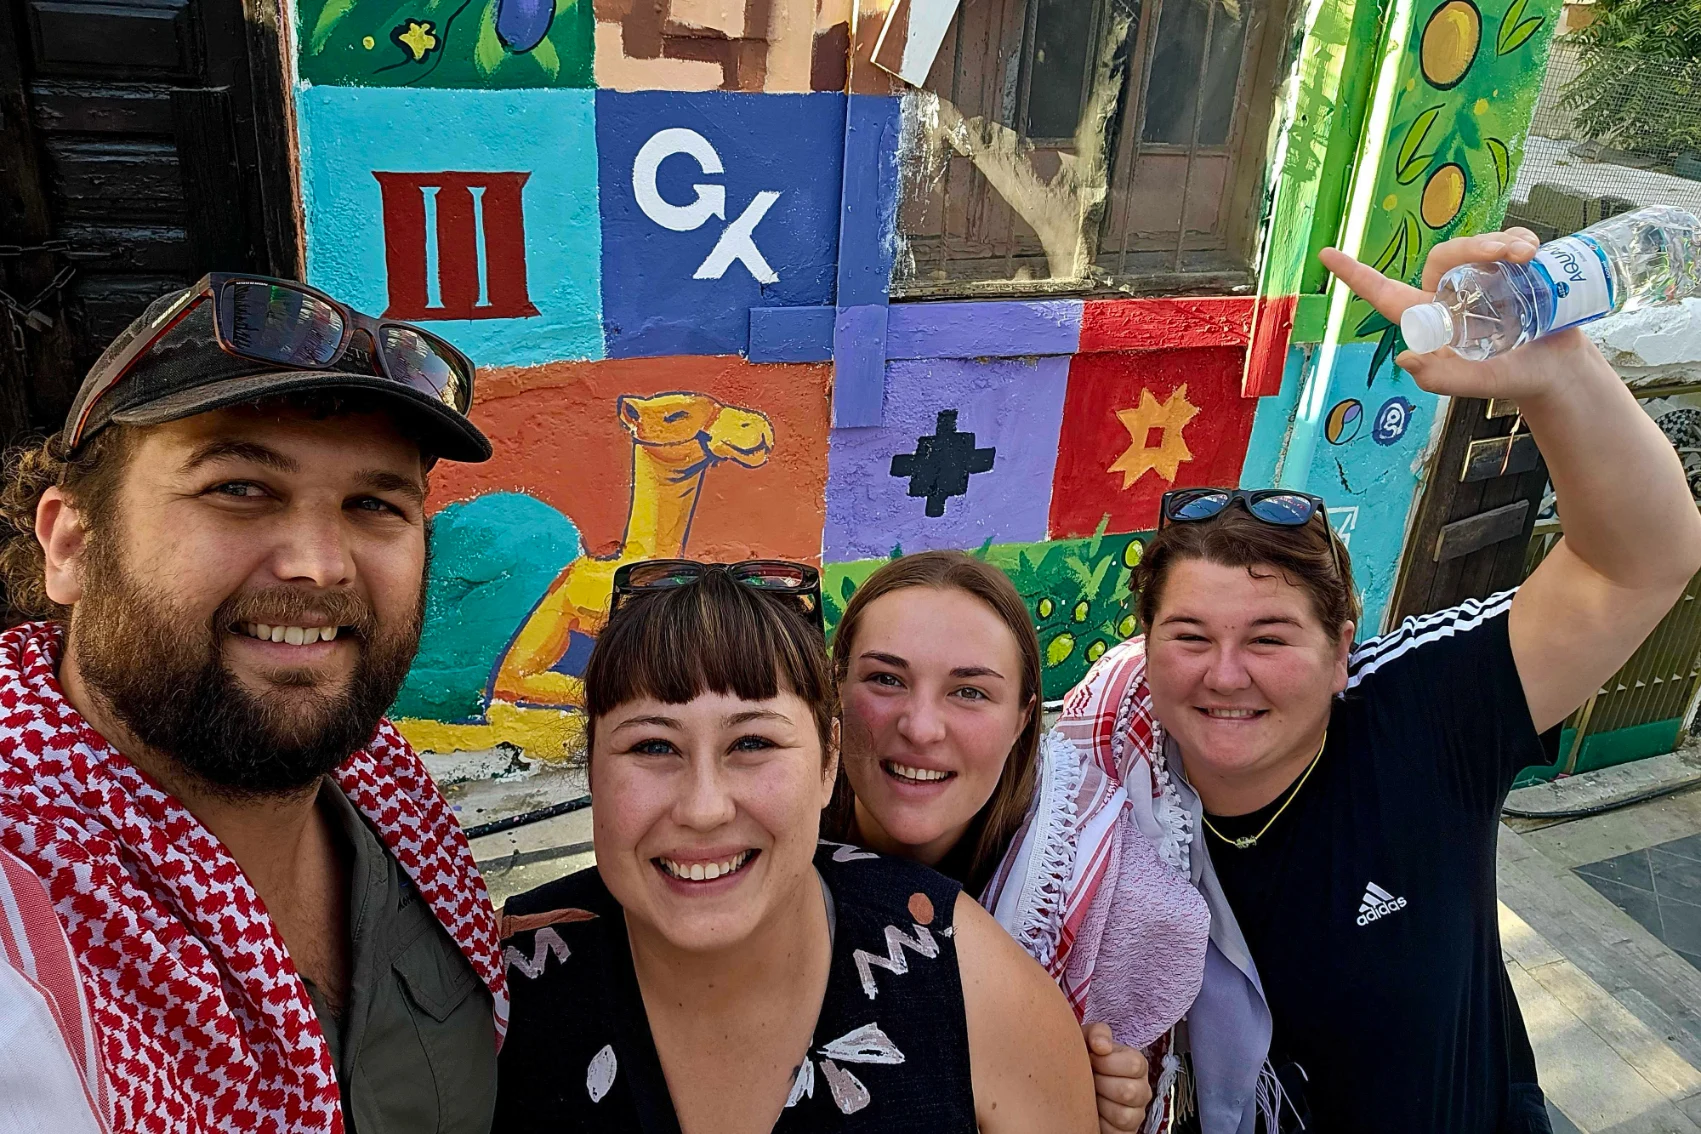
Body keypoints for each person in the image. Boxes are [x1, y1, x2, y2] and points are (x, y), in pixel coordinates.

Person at [1063, 229, 1701, 1133]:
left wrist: (1559, 377)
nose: (1225, 673)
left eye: (1271, 636)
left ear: (1341, 647)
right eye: (1189, 634)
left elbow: (1639, 564)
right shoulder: (1098, 788)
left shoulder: (1417, 711)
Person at [0, 275, 508, 1132]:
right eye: (239, 488)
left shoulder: (388, 792)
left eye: (374, 505)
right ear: (71, 543)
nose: (320, 564)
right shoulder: (25, 909)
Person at [493, 560, 1099, 1133]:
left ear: (829, 760)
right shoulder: (491, 995)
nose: (704, 808)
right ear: (593, 770)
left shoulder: (974, 988)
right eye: (653, 747)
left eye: (752, 744)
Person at [825, 552, 1212, 1134]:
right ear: (835, 691)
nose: (921, 727)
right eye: (886, 679)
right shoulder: (765, 844)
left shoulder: (1092, 896)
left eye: (971, 692)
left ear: (1023, 720)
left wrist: (1093, 1107)